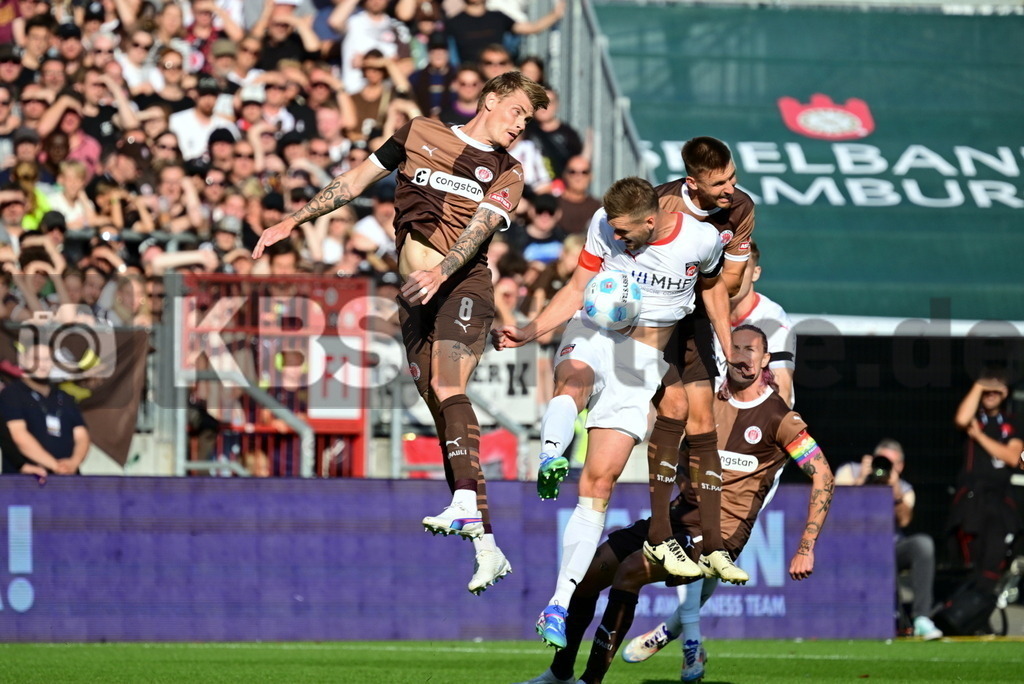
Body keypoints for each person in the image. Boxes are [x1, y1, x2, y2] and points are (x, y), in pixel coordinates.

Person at [252, 71, 549, 595]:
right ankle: (487, 545)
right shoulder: (417, 132)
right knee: (440, 408)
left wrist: (442, 270)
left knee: (450, 386)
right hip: (414, 298)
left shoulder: (508, 171)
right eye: (518, 111)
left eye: (529, 119)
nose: (521, 125)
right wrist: (292, 222)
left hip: (463, 285)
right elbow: (355, 181)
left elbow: (478, 231)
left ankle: (463, 507)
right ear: (491, 99)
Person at [515, 325, 834, 684]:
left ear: (765, 359)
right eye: (737, 348)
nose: (742, 357)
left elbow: (823, 475)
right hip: (674, 518)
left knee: (630, 571)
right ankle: (559, 674)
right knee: (588, 576)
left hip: (720, 535)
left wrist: (806, 546)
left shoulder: (780, 418)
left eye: (751, 351)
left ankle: (590, 681)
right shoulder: (705, 401)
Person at [492, 176, 728, 648]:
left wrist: (725, 342)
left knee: (599, 482)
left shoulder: (701, 240)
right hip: (595, 332)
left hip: (639, 365)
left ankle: (557, 604)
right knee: (573, 379)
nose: (616, 238)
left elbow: (714, 291)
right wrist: (532, 329)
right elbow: (580, 285)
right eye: (613, 231)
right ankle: (550, 455)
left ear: (650, 219)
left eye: (625, 232)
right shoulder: (604, 223)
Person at [645, 136, 758, 589]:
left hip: (696, 321)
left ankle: (712, 546)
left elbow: (726, 281)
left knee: (704, 421)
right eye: (720, 183)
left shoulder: (742, 209)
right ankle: (658, 532)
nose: (731, 188)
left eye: (733, 176)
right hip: (651, 322)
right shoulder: (660, 204)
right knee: (673, 409)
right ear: (693, 183)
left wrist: (727, 343)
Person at [835, 439, 943, 640]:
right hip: (853, 548)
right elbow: (836, 509)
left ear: (900, 466)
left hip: (890, 546)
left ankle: (921, 618)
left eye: (889, 464)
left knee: (923, 544)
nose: (882, 468)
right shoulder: (850, 471)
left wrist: (893, 488)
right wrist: (861, 480)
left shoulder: (904, 488)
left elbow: (904, 520)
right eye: (880, 461)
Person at [948, 373, 1023, 594]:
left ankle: (981, 612)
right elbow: (961, 419)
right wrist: (979, 385)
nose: (990, 394)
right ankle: (963, 613)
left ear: (1005, 393)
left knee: (994, 557)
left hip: (999, 501)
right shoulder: (973, 417)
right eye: (986, 391)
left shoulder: (1012, 422)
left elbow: (1013, 457)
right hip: (971, 499)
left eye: (996, 390)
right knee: (969, 557)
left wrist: (980, 437)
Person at [0, 334, 90, 476]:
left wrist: (73, 463)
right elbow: (18, 435)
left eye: (47, 359)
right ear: (22, 359)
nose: (42, 364)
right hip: (26, 483)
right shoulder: (11, 395)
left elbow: (81, 435)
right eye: (36, 358)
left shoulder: (65, 398)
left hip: (69, 482)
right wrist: (54, 466)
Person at [729, 240, 795, 406]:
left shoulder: (773, 318)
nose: (734, 278)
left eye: (743, 269)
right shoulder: (698, 313)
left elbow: (782, 393)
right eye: (727, 269)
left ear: (755, 273)